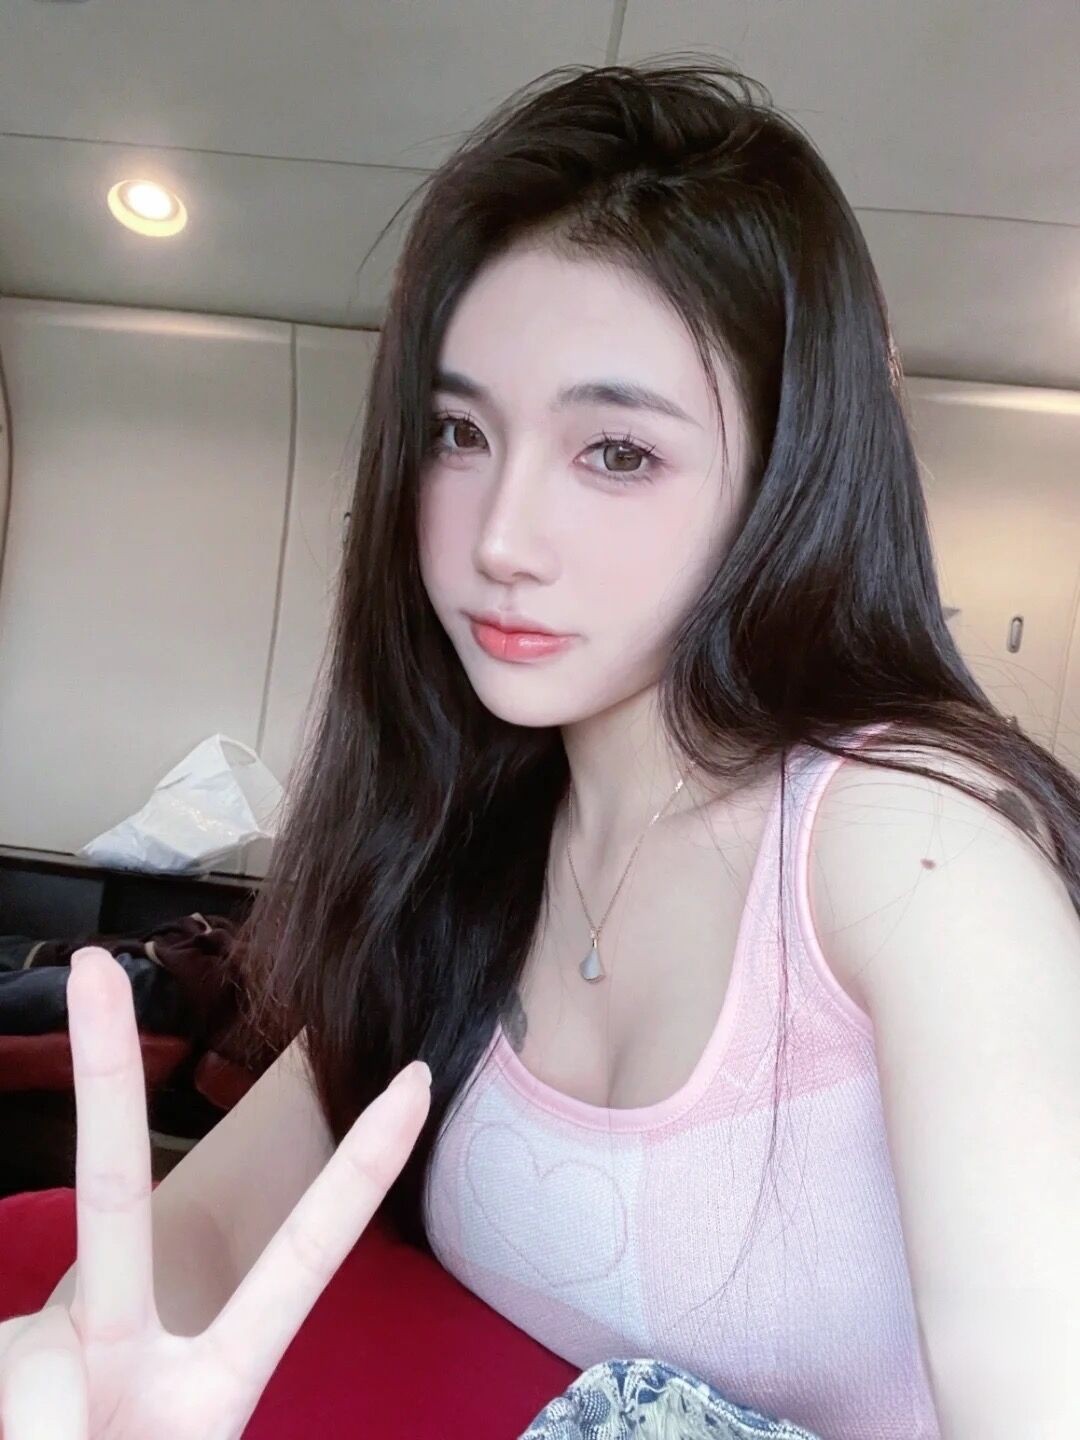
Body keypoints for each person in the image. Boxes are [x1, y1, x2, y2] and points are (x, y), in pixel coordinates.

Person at [2, 54, 1078, 1439]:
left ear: (786, 479)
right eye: (458, 432)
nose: (499, 537)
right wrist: (78, 1364)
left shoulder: (907, 845)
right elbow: (205, 1236)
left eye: (617, 452)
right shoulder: (470, 846)